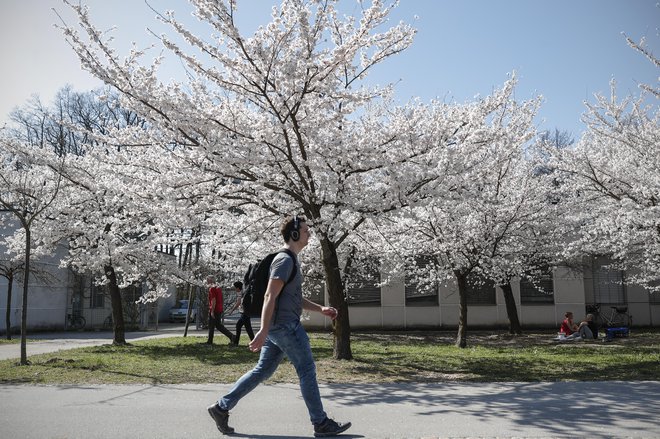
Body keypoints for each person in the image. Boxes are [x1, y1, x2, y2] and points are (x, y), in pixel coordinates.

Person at [207, 215, 351, 437]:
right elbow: (269, 296)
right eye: (305, 230)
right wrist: (263, 330)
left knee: (262, 371)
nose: (309, 233)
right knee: (307, 370)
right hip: (285, 327)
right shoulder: (284, 261)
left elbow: (293, 298)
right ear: (294, 234)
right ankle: (320, 422)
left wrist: (321, 309)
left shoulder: (291, 261)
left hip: (279, 327)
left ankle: (221, 407)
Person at [206, 276, 237, 345]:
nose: (206, 282)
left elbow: (214, 300)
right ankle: (232, 337)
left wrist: (212, 311)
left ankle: (209, 342)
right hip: (219, 309)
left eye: (207, 280)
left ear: (211, 281)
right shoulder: (218, 288)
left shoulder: (212, 289)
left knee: (211, 325)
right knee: (218, 325)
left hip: (215, 309)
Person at [226, 280, 255, 345]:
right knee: (241, 326)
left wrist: (232, 310)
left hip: (245, 313)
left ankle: (252, 342)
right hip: (245, 313)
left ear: (238, 288)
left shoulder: (241, 293)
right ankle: (237, 342)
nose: (235, 289)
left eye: (235, 288)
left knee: (247, 328)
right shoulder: (244, 292)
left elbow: (238, 303)